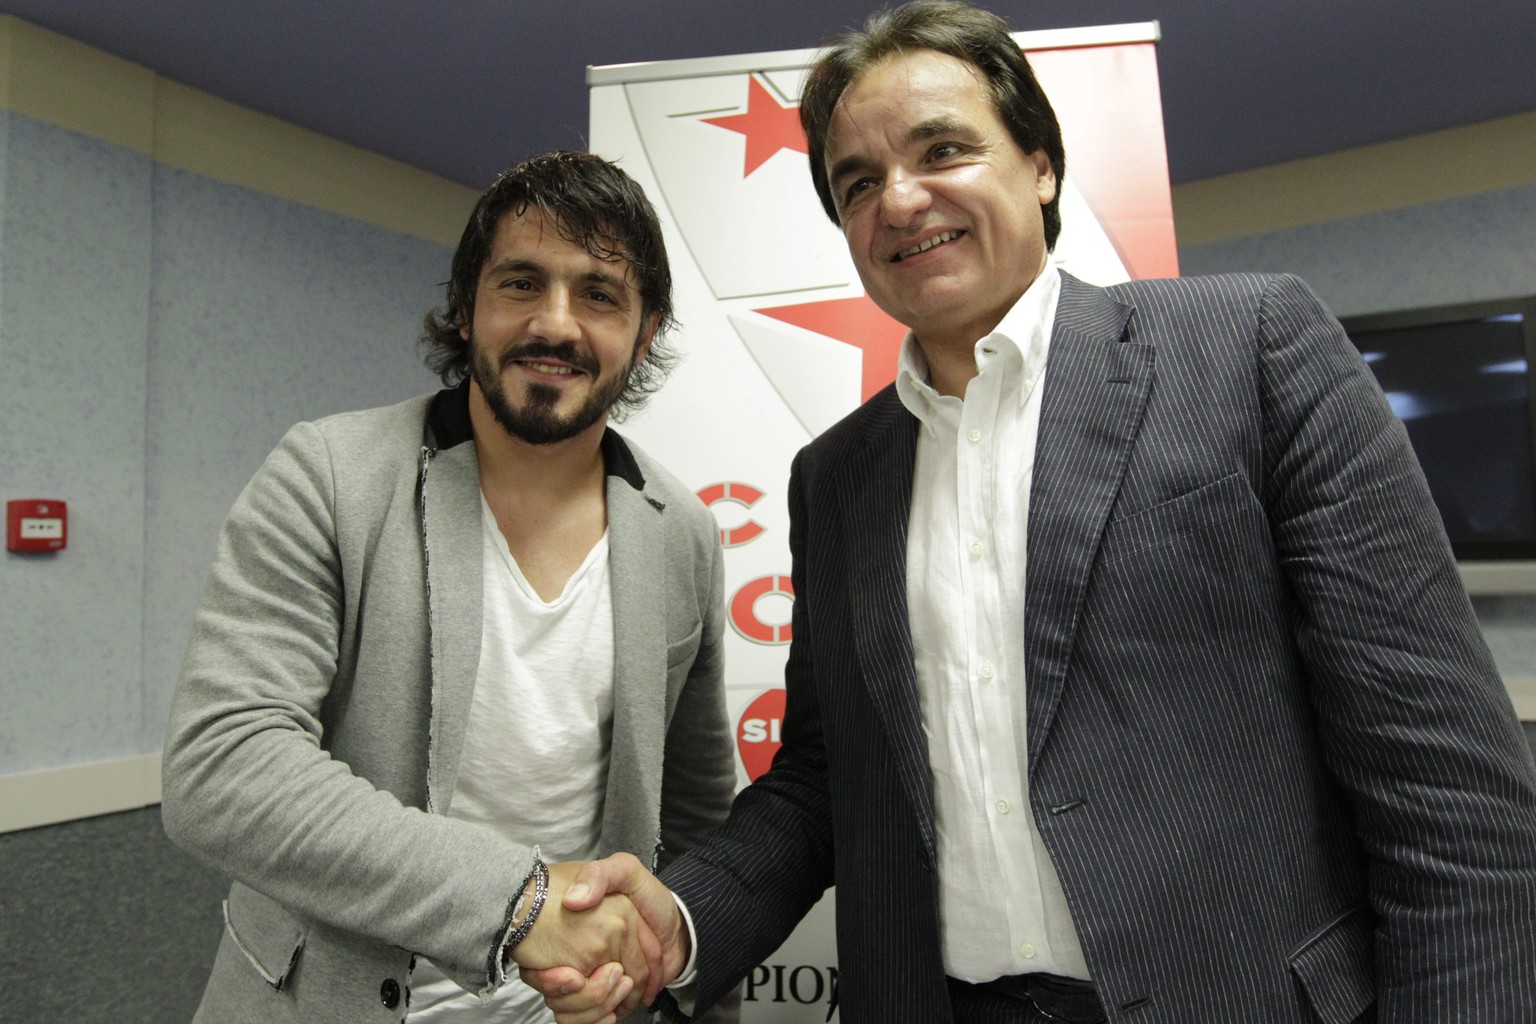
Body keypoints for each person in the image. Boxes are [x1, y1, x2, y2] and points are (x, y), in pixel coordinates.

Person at [529, 3, 1536, 1023]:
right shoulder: (834, 477)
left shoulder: (1250, 348)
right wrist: (681, 920)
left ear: (1042, 163)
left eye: (943, 150)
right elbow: (826, 782)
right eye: (858, 183)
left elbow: (1447, 798)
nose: (901, 199)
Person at [160, 150, 739, 1024]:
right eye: (520, 284)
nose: (556, 324)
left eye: (599, 294)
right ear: (467, 308)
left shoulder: (681, 533)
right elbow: (224, 766)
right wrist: (519, 905)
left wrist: (671, 996)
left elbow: (696, 821)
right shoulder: (330, 476)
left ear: (644, 332)